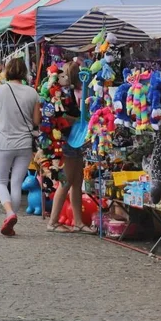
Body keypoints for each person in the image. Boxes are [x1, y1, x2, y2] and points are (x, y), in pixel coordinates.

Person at [0, 57, 42, 237]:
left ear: (7, 71)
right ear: (24, 72)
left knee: (1, 181)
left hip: (4, 141)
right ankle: (13, 216)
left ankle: (9, 213)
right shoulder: (32, 92)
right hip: (25, 143)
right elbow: (36, 121)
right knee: (16, 183)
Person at [48, 60, 92, 233]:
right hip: (69, 140)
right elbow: (65, 118)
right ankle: (52, 222)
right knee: (66, 181)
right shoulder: (65, 96)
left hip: (74, 140)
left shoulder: (74, 93)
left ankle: (78, 222)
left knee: (76, 181)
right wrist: (81, 121)